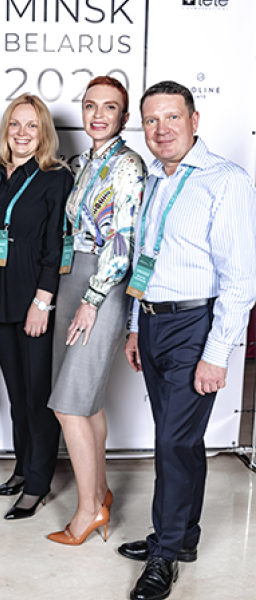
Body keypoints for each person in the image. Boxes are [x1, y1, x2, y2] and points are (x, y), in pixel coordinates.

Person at [121, 81, 256, 600]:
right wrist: (137, 325)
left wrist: (216, 354)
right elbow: (146, 259)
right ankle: (181, 538)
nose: (161, 130)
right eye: (151, 121)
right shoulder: (154, 179)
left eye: (172, 117)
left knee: (173, 443)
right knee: (179, 440)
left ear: (194, 120)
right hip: (154, 323)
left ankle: (165, 554)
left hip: (195, 326)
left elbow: (241, 280)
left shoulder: (227, 181)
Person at [46, 76, 145, 545]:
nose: (98, 114)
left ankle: (88, 512)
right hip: (72, 277)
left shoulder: (127, 165)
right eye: (90, 105)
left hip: (101, 284)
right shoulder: (83, 163)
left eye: (109, 107)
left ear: (124, 117)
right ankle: (100, 492)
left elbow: (123, 243)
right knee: (88, 401)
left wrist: (92, 299)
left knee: (69, 405)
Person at [0, 94, 72, 520]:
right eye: (15, 124)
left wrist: (42, 301)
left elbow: (56, 245)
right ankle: (22, 467)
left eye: (32, 125)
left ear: (43, 132)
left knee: (37, 397)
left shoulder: (56, 178)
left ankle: (37, 483)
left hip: (34, 299)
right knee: (17, 395)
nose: (22, 133)